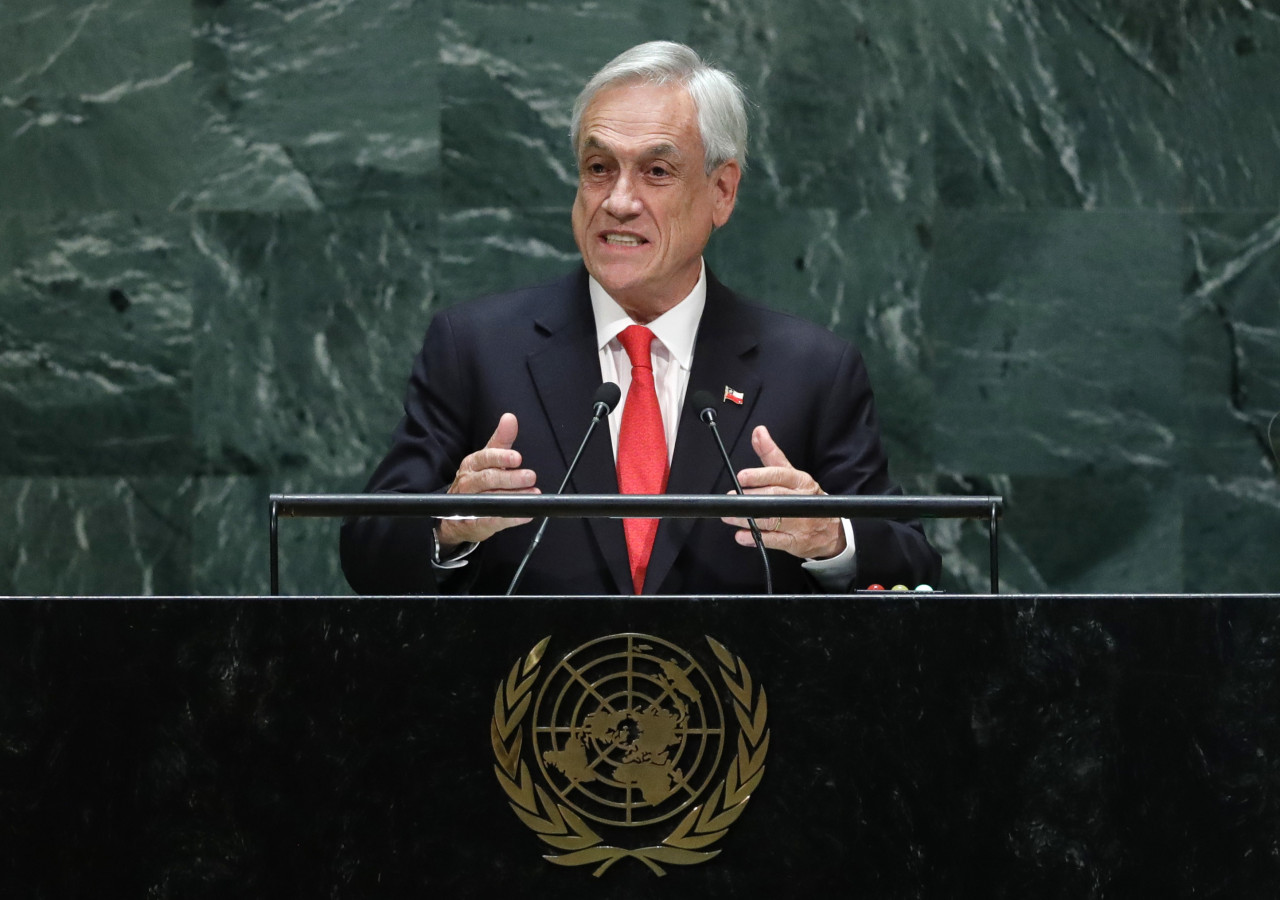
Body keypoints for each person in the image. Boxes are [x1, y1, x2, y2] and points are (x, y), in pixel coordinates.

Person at [340, 41, 940, 596]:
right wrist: (449, 519)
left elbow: (911, 561)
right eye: (599, 168)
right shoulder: (475, 348)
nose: (619, 201)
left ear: (722, 193)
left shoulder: (811, 370)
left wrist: (832, 537)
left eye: (656, 171)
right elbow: (366, 554)